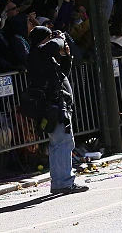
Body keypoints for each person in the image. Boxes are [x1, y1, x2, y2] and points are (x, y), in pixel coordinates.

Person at [25, 27, 87, 195]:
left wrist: (67, 56)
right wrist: (59, 38)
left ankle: (60, 181)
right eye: (49, 38)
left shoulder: (45, 58)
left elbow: (62, 75)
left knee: (60, 144)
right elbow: (52, 46)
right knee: (63, 143)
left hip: (57, 106)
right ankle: (64, 182)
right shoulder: (37, 54)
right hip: (52, 107)